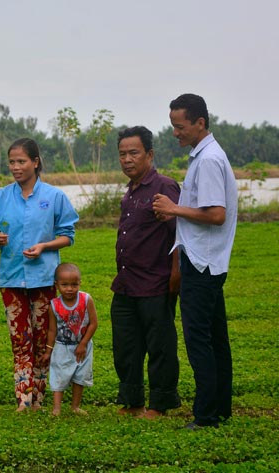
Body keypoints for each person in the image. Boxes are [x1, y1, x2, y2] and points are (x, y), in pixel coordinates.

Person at [152, 93, 238, 430]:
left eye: (180, 126)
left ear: (200, 123)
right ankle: (220, 408)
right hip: (208, 261)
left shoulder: (208, 160)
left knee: (199, 339)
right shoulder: (205, 156)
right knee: (216, 338)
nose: (175, 132)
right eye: (173, 126)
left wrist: (173, 209)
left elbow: (216, 214)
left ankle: (205, 416)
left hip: (202, 263)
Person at [0, 137, 79, 412]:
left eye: (21, 161)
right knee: (20, 341)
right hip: (11, 279)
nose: (15, 167)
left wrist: (44, 247)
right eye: (12, 162)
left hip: (44, 280)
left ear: (35, 163)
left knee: (43, 341)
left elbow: (67, 236)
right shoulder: (0, 197)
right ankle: (24, 401)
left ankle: (39, 398)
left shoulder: (54, 197)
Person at [110, 126, 182, 420]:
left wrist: (176, 274)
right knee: (126, 345)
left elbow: (180, 234)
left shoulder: (164, 187)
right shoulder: (130, 192)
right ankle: (133, 401)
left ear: (150, 154)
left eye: (134, 153)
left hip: (156, 281)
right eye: (122, 154)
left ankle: (159, 405)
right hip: (127, 283)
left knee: (160, 345)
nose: (127, 159)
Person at [39, 263, 98, 416]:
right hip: (61, 347)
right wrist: (48, 351)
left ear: (80, 283)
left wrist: (83, 343)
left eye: (74, 284)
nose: (70, 289)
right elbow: (52, 330)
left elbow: (94, 323)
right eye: (64, 285)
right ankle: (56, 408)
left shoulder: (86, 299)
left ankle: (75, 406)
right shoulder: (54, 305)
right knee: (59, 375)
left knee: (80, 376)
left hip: (83, 347)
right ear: (56, 285)